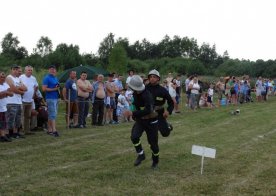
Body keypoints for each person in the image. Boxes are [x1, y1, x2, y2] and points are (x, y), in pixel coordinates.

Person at [128, 75, 160, 169]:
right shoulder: (135, 93)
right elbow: (135, 105)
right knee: (134, 137)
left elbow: (148, 111)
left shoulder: (147, 95)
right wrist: (134, 114)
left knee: (153, 145)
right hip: (141, 120)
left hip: (152, 122)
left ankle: (155, 161)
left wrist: (133, 113)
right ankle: (141, 154)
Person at [146, 69, 174, 137]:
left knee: (165, 133)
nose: (152, 78)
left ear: (158, 78)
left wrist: (168, 111)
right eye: (150, 77)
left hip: (159, 114)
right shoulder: (144, 89)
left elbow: (171, 102)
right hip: (147, 113)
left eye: (154, 77)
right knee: (151, 134)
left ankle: (167, 125)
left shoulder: (162, 90)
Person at [6, 65, 27, 138]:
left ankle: (15, 133)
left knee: (18, 119)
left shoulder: (18, 79)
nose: (15, 71)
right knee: (10, 118)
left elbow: (25, 88)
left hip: (18, 101)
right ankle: (8, 133)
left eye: (16, 69)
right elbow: (12, 89)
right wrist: (21, 91)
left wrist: (18, 88)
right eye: (14, 69)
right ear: (11, 70)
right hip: (11, 101)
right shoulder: (9, 78)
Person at [19, 65, 38, 135]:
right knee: (21, 116)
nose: (30, 71)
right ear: (25, 71)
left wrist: (33, 94)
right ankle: (21, 130)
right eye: (28, 70)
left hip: (30, 100)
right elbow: (18, 86)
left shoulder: (33, 78)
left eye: (31, 70)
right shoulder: (21, 77)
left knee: (28, 116)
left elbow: (36, 86)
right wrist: (21, 93)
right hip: (22, 100)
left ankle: (27, 130)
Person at [42, 65, 60, 137]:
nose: (53, 70)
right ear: (49, 70)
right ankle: (54, 130)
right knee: (52, 114)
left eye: (54, 69)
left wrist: (57, 88)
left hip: (56, 98)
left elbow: (56, 87)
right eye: (51, 69)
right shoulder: (46, 78)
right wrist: (54, 89)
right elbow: (44, 89)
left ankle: (49, 130)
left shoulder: (55, 78)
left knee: (52, 115)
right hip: (50, 98)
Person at [0, 72, 13, 142]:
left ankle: (3, 135)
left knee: (3, 122)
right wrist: (6, 92)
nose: (3, 78)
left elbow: (11, 94)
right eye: (1, 77)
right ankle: (2, 136)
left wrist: (4, 93)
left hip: (4, 107)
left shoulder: (5, 84)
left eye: (4, 77)